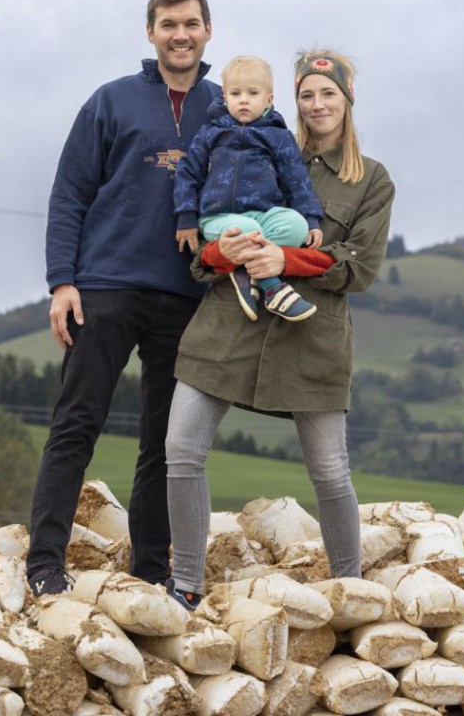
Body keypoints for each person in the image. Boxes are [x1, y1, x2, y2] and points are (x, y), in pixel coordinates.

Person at [164, 50, 395, 610]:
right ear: (288, 101)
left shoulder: (372, 181)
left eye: (328, 94)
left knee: (331, 473)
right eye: (307, 95)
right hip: (225, 329)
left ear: (347, 100)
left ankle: (349, 589)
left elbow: (359, 268)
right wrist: (222, 249)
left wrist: (284, 262)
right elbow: (200, 260)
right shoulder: (253, 145)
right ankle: (186, 585)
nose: (317, 105)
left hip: (309, 340)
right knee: (180, 449)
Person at [27, 0, 220, 596]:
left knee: (166, 442)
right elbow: (69, 195)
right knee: (76, 424)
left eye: (191, 23)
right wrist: (63, 281)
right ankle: (44, 565)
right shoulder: (110, 102)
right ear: (151, 33)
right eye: (169, 24)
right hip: (106, 286)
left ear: (207, 32)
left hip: (188, 297)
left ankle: (151, 571)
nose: (180, 34)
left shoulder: (227, 108)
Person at [173, 55, 324, 323]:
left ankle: (245, 271)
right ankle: (272, 288)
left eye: (252, 93)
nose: (243, 99)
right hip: (220, 218)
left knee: (295, 226)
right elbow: (187, 172)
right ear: (224, 97)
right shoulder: (210, 133)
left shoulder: (279, 137)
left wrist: (311, 218)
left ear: (268, 99)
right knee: (243, 233)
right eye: (236, 93)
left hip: (264, 215)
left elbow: (296, 179)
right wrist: (186, 215)